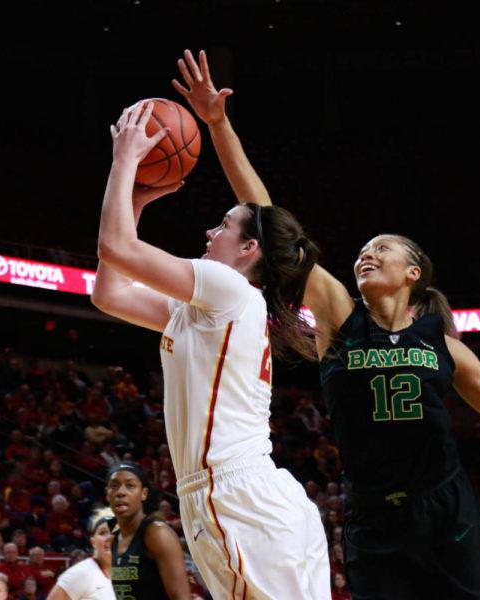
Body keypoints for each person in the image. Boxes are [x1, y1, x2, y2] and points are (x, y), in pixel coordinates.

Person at [169, 47, 480, 600]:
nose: (365, 253)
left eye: (380, 248)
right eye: (362, 249)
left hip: (446, 516)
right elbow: (264, 214)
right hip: (371, 519)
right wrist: (219, 125)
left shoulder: (446, 348)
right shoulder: (339, 316)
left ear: (412, 271)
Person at [90, 96, 329, 598]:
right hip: (253, 496)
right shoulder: (211, 307)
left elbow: (117, 248)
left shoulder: (228, 288)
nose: (209, 230)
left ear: (249, 249)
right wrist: (133, 201)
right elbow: (109, 293)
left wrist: (125, 163)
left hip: (234, 494)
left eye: (223, 225)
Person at [104, 464, 190, 600]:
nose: (120, 492)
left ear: (143, 494)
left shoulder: (157, 533)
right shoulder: (111, 540)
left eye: (130, 486)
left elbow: (181, 597)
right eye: (114, 486)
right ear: (107, 494)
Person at [48, 508, 115, 600]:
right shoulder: (81, 573)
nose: (109, 537)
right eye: (103, 532)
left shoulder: (129, 575)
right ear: (93, 542)